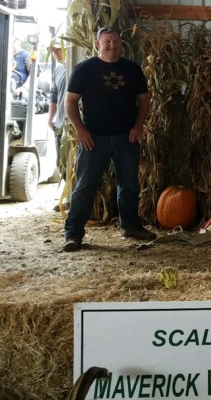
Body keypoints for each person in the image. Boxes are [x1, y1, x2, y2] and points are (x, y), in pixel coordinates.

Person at [62, 27, 155, 252]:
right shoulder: (84, 69)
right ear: (98, 44)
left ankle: (131, 226)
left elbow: (144, 101)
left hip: (126, 138)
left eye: (115, 41)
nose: (112, 45)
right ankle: (73, 233)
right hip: (93, 138)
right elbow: (70, 102)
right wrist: (80, 130)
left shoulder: (132, 69)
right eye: (107, 41)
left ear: (121, 44)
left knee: (129, 184)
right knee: (85, 186)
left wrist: (138, 126)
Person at [46, 42, 68, 185]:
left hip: (74, 124)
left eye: (58, 50)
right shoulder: (57, 69)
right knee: (61, 162)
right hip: (60, 124)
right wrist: (50, 118)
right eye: (53, 51)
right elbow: (54, 95)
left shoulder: (77, 67)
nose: (55, 54)